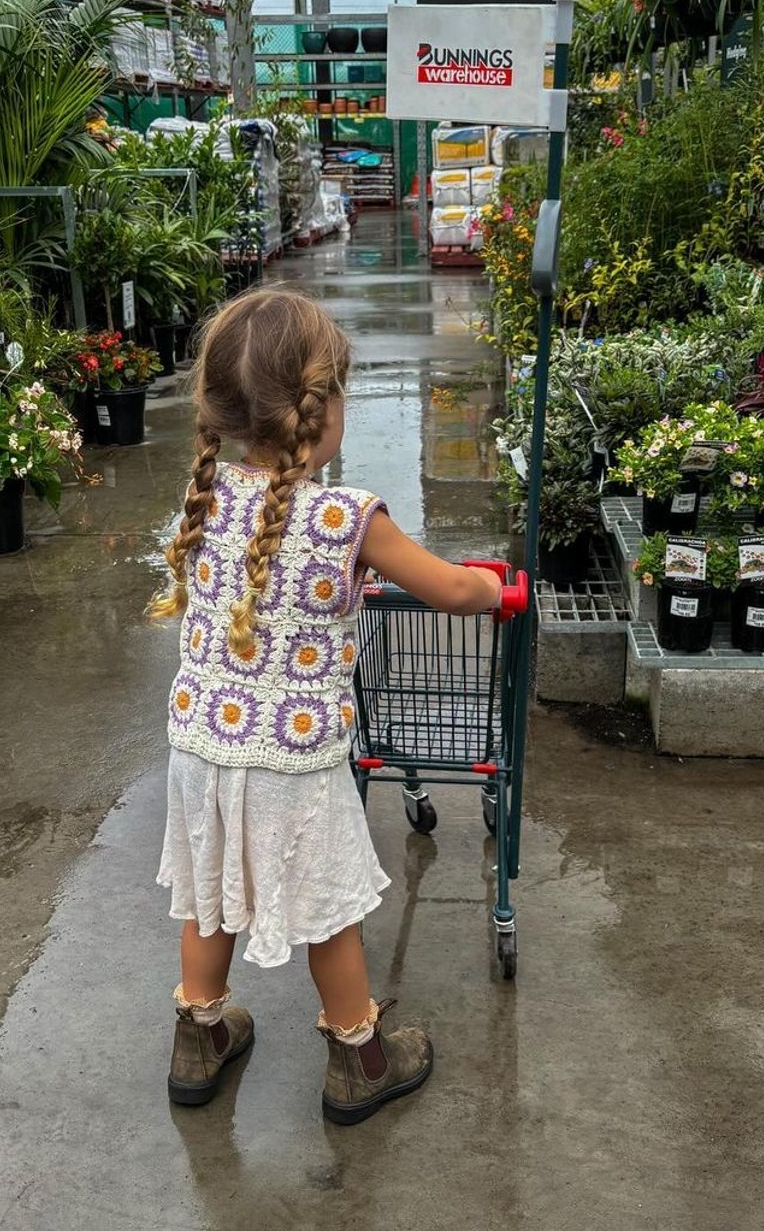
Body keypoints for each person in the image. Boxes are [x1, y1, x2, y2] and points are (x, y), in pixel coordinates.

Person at [149, 287, 502, 1126]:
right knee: (326, 909)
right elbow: (449, 589)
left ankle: (198, 1041)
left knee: (209, 893)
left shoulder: (206, 501)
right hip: (291, 762)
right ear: (325, 405)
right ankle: (359, 1057)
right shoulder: (347, 517)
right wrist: (492, 588)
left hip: (201, 743)